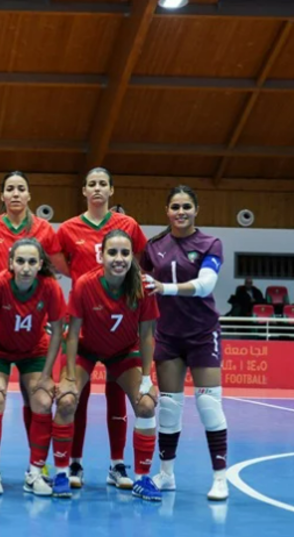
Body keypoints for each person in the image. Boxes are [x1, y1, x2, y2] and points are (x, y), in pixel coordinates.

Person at [56, 167, 147, 490]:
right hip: (85, 319)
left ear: (111, 189)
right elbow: (57, 261)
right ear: (84, 190)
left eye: (103, 184)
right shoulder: (68, 228)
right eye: (91, 184)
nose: (97, 189)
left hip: (120, 321)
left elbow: (138, 261)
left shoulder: (128, 225)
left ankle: (117, 464)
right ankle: (74, 462)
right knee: (74, 395)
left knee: (118, 393)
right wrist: (85, 280)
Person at [55, 230, 161, 501]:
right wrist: (68, 376)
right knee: (67, 400)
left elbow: (147, 334)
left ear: (132, 257)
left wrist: (148, 378)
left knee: (147, 403)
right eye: (112, 252)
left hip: (124, 352)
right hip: (86, 350)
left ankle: (142, 478)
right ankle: (61, 471)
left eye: (125, 253)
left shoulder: (142, 287)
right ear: (101, 255)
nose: (119, 258)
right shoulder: (85, 285)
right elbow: (72, 332)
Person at [140, 186, 229, 501]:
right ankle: (166, 476)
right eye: (175, 206)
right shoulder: (153, 248)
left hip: (203, 334)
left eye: (186, 206)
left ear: (196, 209)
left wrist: (164, 287)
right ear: (166, 210)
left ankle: (220, 478)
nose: (181, 212)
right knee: (170, 407)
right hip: (168, 335)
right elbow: (140, 288)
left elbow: (206, 285)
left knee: (208, 404)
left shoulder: (210, 244)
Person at [0, 238, 65, 497]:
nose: (25, 267)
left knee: (41, 400)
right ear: (10, 263)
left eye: (31, 262)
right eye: (20, 261)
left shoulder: (49, 287)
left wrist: (48, 375)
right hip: (0, 351)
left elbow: (59, 332)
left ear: (40, 264)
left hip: (34, 352)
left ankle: (35, 472)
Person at [0, 170, 68, 283]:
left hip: (33, 299)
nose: (16, 194)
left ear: (28, 196)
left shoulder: (44, 228)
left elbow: (64, 269)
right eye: (10, 189)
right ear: (2, 196)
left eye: (21, 189)